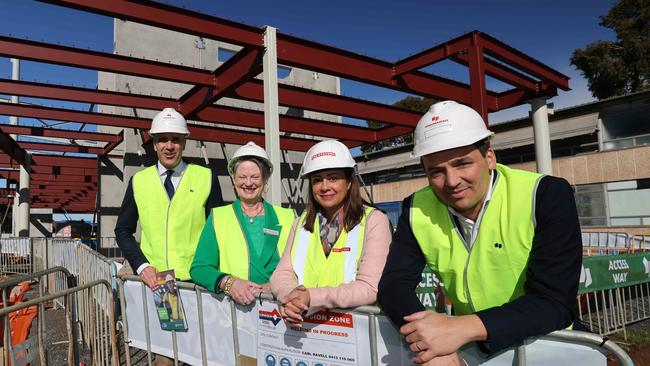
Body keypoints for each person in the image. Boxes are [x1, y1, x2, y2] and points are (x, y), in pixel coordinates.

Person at [377, 100, 582, 364]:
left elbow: (553, 302)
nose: (451, 181)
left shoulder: (545, 195)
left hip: (548, 348)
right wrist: (428, 342)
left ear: (489, 156)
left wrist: (456, 329)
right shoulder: (416, 208)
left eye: (462, 163)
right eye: (436, 171)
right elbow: (393, 287)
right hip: (471, 351)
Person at [271, 140, 392, 324]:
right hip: (304, 329)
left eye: (333, 178)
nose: (325, 186)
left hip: (355, 334)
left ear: (350, 182)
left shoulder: (374, 221)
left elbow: (369, 287)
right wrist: (292, 300)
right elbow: (282, 273)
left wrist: (311, 298)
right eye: (317, 179)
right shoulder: (301, 223)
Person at [115, 107, 223, 288]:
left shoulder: (206, 178)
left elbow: (218, 231)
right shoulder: (139, 181)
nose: (169, 146)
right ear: (155, 144)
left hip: (197, 280)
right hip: (154, 281)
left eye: (176, 139)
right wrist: (142, 266)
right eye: (163, 139)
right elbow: (123, 230)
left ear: (184, 143)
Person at [190, 142, 295, 306]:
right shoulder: (218, 217)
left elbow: (299, 267)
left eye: (255, 177)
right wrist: (229, 283)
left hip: (278, 310)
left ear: (265, 178)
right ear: (233, 179)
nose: (248, 183)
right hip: (232, 313)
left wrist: (275, 287)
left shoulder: (287, 217)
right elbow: (200, 268)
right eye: (242, 177)